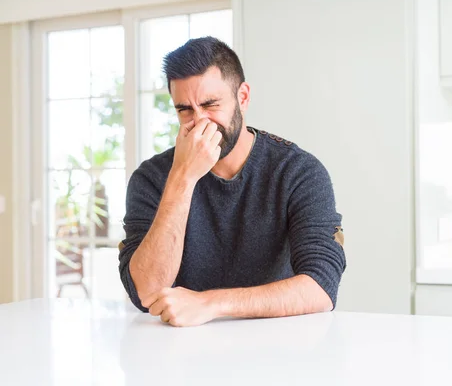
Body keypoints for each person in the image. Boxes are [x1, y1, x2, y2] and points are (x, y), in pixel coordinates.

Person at [118, 37, 346, 327]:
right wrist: (183, 178)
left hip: (281, 348)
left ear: (243, 98)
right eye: (184, 109)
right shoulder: (151, 178)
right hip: (181, 351)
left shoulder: (298, 171)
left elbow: (321, 287)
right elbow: (146, 293)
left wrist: (211, 304)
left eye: (210, 104)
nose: (200, 122)